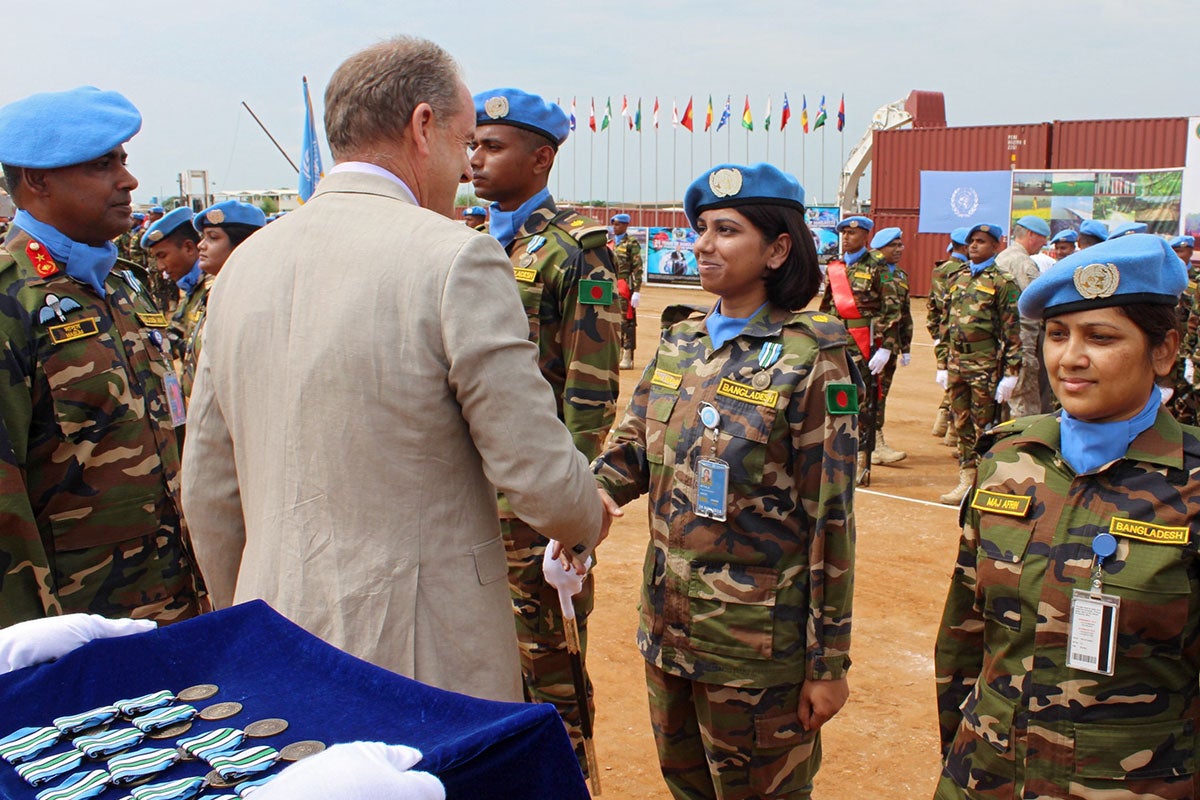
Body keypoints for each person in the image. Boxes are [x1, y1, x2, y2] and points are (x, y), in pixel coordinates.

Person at [180, 37, 606, 704]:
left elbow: (207, 489)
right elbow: (541, 477)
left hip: (273, 639)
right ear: (422, 126)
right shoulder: (454, 259)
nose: (466, 169)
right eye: (465, 141)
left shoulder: (244, 266)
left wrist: (248, 613)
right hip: (415, 656)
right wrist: (587, 519)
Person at [593, 163, 857, 800]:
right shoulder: (682, 340)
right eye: (702, 228)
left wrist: (827, 663)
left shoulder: (811, 356)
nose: (705, 244)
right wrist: (584, 504)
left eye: (727, 231)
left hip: (755, 646)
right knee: (685, 787)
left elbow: (832, 520)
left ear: (777, 248)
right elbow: (630, 449)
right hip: (667, 624)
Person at [934, 233, 1199, 800]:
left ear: (1163, 350)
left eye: (1100, 337)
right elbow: (964, 631)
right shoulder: (1007, 458)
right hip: (986, 772)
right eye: (1057, 335)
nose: (1070, 358)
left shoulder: (1193, 483)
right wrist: (957, 754)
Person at [0, 87, 204, 625]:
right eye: (100, 164)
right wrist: (31, 645)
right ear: (37, 180)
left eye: (123, 160)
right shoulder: (11, 300)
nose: (128, 180)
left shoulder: (124, 283)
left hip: (178, 595)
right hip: (80, 624)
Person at [469, 87, 620, 767]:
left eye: (492, 146)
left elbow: (590, 390)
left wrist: (573, 511)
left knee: (550, 663)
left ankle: (571, 779)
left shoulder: (575, 248)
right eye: (471, 144)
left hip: (533, 500)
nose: (474, 158)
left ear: (540, 157)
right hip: (468, 496)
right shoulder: (464, 241)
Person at [936, 223, 1021, 505]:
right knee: (960, 422)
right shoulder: (958, 278)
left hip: (984, 363)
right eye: (972, 241)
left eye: (982, 241)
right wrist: (941, 363)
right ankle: (966, 477)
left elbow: (1013, 330)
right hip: (957, 361)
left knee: (984, 424)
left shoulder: (1003, 281)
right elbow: (946, 323)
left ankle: (986, 480)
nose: (973, 246)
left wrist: (1011, 373)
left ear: (996, 247)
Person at [819, 214, 895, 483]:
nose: (847, 237)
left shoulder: (878, 266)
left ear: (866, 236)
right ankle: (839, 454)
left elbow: (891, 309)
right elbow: (827, 307)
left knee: (864, 402)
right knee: (837, 396)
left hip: (865, 342)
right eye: (844, 233)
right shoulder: (835, 267)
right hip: (839, 341)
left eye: (853, 233)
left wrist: (886, 347)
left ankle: (862, 458)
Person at [179, 200, 266, 399]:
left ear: (242, 245)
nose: (201, 245)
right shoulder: (213, 290)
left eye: (213, 237)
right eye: (203, 236)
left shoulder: (254, 298)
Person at [998, 215, 1052, 417]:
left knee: (1005, 396)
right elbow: (1037, 301)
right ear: (1030, 235)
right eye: (1043, 238)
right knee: (1026, 400)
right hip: (1023, 340)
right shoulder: (1023, 263)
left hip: (1002, 338)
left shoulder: (1001, 258)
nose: (1045, 243)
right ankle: (1025, 445)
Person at [870, 226, 912, 465]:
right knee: (870, 394)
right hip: (871, 343)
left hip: (890, 345)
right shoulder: (872, 271)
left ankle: (875, 441)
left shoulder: (901, 276)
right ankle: (872, 443)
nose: (898, 250)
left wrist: (905, 346)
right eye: (892, 246)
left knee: (882, 392)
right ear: (879, 249)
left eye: (900, 245)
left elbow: (904, 314)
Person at [141, 206, 205, 361]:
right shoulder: (194, 287)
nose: (161, 266)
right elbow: (176, 332)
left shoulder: (214, 288)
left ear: (189, 247)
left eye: (163, 256)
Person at [929, 228, 970, 446]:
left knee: (951, 376)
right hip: (959, 331)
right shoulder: (965, 271)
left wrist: (936, 334)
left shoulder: (940, 269)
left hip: (942, 331)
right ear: (965, 246)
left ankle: (943, 420)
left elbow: (932, 305)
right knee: (961, 380)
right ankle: (952, 429)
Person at [610, 212, 644, 370]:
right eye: (613, 224)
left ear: (625, 225)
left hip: (625, 286)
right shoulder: (610, 243)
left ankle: (628, 355)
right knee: (613, 320)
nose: (614, 227)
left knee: (627, 321)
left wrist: (636, 290)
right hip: (611, 285)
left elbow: (637, 268)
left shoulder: (631, 243)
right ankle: (617, 351)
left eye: (617, 224)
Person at [1172, 235, 1198, 425]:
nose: (1178, 256)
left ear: (1191, 251)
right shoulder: (1165, 276)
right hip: (1181, 350)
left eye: (1181, 251)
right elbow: (1194, 321)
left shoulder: (1195, 279)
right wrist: (1189, 354)